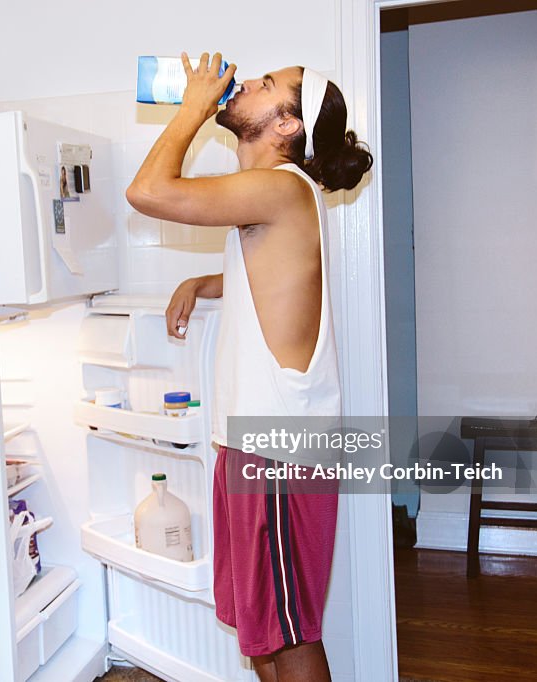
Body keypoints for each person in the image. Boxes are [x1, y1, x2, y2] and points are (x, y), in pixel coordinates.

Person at [126, 53, 372, 682]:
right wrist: (208, 281)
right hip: (254, 446)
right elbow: (277, 280)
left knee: (288, 638)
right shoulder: (279, 200)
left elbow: (148, 191)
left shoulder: (283, 186)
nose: (250, 83)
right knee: (263, 635)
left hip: (276, 448)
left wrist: (192, 110)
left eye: (268, 86)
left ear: (288, 126)